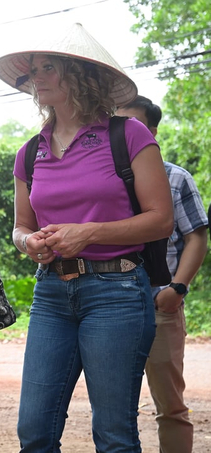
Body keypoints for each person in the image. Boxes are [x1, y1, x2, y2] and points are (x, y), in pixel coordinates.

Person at [0, 23, 174, 452]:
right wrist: (27, 243)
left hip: (118, 292)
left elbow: (161, 220)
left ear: (80, 75)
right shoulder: (29, 152)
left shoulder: (128, 135)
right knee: (34, 431)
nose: (37, 76)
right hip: (51, 293)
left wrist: (89, 232)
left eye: (48, 67)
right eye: (33, 69)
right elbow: (21, 225)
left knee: (113, 435)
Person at [117, 95, 208, 453]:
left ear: (152, 132)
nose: (124, 134)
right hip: (110, 302)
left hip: (159, 302)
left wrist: (177, 288)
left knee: (170, 405)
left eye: (134, 125)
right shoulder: (103, 180)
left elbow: (197, 236)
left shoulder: (176, 178)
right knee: (115, 407)